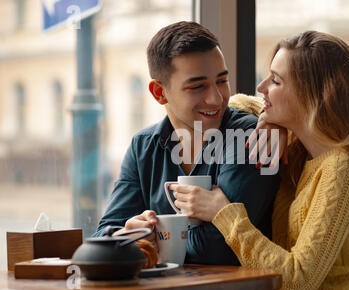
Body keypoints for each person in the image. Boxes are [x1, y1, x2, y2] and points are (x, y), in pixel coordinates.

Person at [165, 31, 349, 290]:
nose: (262, 86)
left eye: (276, 81)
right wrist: (269, 121)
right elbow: (235, 103)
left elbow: (296, 283)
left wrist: (224, 213)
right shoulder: (301, 144)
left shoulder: (342, 169)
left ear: (312, 96)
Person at [93, 21, 280, 266]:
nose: (216, 98)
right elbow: (102, 236)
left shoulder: (250, 135)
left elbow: (221, 249)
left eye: (221, 81)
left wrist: (148, 240)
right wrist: (124, 234)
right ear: (159, 93)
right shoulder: (143, 146)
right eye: (197, 86)